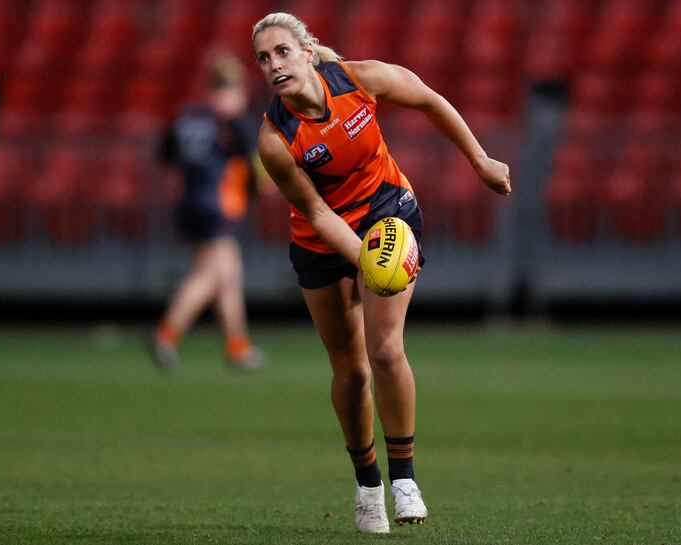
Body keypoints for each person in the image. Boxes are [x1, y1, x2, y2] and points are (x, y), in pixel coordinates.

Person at [252, 12, 511, 534]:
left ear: (307, 52)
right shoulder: (275, 140)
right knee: (350, 371)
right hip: (322, 239)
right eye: (263, 58)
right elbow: (318, 213)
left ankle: (404, 479)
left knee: (386, 349)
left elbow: (430, 99)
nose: (274, 65)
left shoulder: (360, 78)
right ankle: (367, 484)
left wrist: (480, 160)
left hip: (387, 213)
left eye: (282, 51)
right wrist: (365, 258)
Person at [149, 50, 265, 373]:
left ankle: (237, 346)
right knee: (209, 275)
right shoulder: (232, 118)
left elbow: (165, 154)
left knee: (228, 274)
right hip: (218, 203)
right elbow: (254, 158)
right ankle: (166, 334)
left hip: (190, 200)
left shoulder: (188, 116)